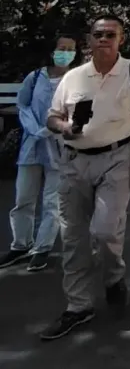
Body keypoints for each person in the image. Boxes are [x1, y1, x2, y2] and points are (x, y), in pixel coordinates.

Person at [41, 15, 130, 341]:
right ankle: (78, 306)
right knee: (74, 238)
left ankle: (113, 276)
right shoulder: (74, 77)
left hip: (116, 159)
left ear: (121, 39)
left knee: (105, 230)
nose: (103, 39)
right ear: (89, 40)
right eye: (98, 34)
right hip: (73, 162)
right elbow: (52, 117)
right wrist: (65, 127)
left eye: (110, 34)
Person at [0, 33, 80, 274]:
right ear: (52, 50)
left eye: (71, 49)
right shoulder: (35, 77)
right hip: (32, 144)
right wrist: (36, 129)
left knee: (52, 201)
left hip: (60, 146)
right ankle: (20, 244)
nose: (65, 53)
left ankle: (42, 248)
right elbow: (22, 105)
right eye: (62, 48)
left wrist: (58, 129)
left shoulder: (77, 80)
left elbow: (81, 112)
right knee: (23, 197)